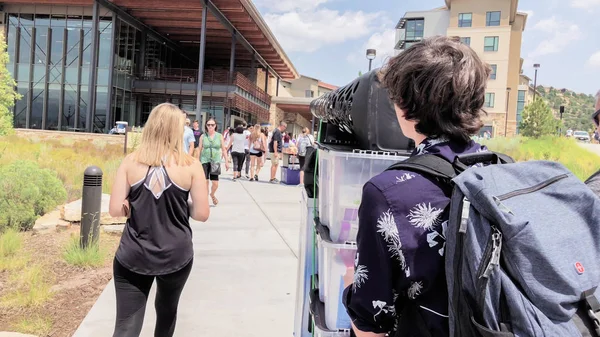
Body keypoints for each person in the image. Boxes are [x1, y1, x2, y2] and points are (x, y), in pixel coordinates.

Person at [342, 36, 491, 337]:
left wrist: (350, 283)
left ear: (405, 107)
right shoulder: (504, 171)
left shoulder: (387, 193)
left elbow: (371, 326)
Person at [108, 103, 210, 337]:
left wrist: (129, 205)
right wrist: (183, 205)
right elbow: (202, 214)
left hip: (134, 254)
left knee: (126, 324)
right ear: (176, 130)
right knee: (166, 314)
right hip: (175, 255)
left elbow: (115, 209)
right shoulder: (191, 165)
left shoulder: (130, 161)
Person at [198, 117, 229, 206]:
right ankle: (206, 199)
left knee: (215, 183)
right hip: (204, 160)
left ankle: (212, 194)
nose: (210, 126)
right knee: (205, 182)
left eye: (212, 125)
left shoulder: (219, 136)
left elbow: (223, 149)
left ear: (215, 126)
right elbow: (199, 149)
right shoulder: (203, 136)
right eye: (208, 125)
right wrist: (197, 161)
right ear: (206, 126)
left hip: (215, 161)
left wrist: (226, 161)